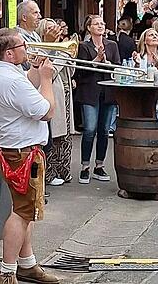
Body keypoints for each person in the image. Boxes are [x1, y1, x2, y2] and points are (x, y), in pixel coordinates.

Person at [0, 28, 59, 284]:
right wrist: (47, 79)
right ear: (9, 53)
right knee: (23, 213)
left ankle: (27, 264)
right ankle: (7, 271)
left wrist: (36, 71)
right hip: (23, 153)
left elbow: (26, 83)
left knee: (25, 210)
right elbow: (46, 111)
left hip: (13, 149)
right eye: (23, 46)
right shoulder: (11, 80)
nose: (27, 49)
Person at [73, 15, 120, 184]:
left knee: (104, 130)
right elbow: (80, 71)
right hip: (89, 92)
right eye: (96, 24)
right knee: (90, 129)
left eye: (102, 23)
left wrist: (105, 60)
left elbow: (117, 67)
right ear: (89, 28)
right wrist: (96, 60)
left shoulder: (112, 45)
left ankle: (99, 165)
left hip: (107, 92)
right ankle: (85, 166)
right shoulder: (83, 46)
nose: (100, 26)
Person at [35, 19, 73, 186]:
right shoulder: (42, 51)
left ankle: (64, 170)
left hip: (64, 93)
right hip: (52, 94)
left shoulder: (61, 49)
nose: (55, 32)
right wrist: (62, 56)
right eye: (49, 29)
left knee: (65, 136)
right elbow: (51, 73)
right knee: (52, 136)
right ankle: (50, 173)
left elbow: (71, 72)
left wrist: (69, 58)